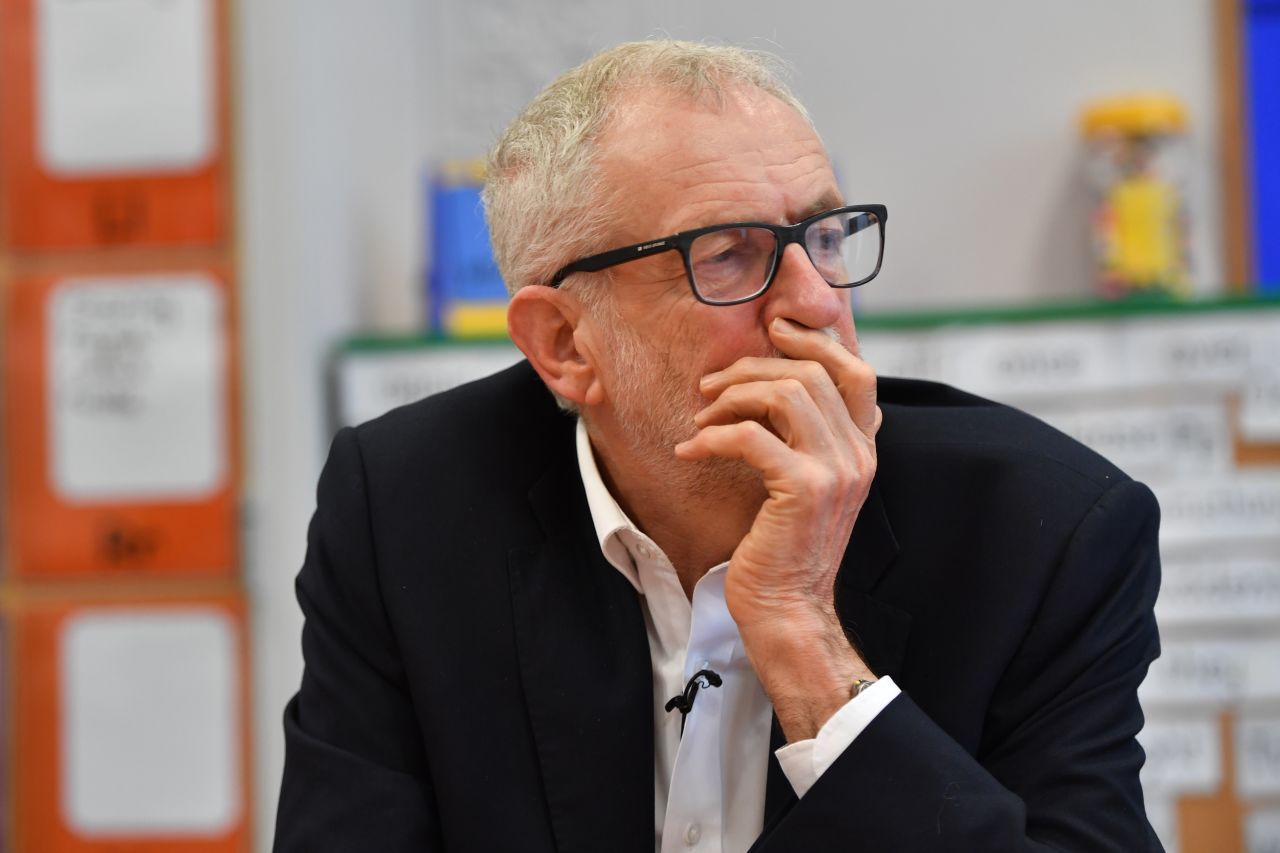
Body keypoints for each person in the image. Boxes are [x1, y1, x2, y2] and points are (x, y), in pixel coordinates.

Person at [275, 40, 1162, 852]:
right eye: (729, 254)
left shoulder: (1045, 533)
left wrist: (804, 634)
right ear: (564, 344)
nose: (815, 300)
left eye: (824, 235)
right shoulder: (404, 511)